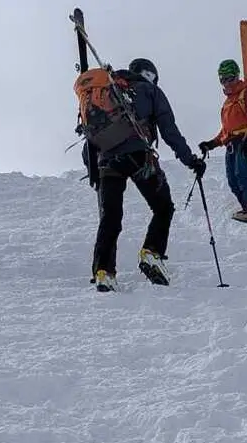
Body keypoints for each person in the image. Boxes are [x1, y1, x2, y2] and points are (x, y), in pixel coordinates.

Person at [78, 57, 206, 291]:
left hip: (106, 162)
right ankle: (151, 253)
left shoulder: (107, 91)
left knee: (111, 216)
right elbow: (169, 130)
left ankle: (103, 271)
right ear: (150, 75)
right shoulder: (150, 91)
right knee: (163, 207)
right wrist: (191, 160)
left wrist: (93, 168)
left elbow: (90, 136)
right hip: (138, 157)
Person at [197, 59, 247, 226]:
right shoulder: (228, 102)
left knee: (243, 176)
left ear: (237, 76)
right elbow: (226, 130)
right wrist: (211, 144)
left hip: (245, 140)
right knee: (232, 180)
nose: (226, 83)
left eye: (230, 78)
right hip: (232, 143)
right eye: (223, 79)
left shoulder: (246, 93)